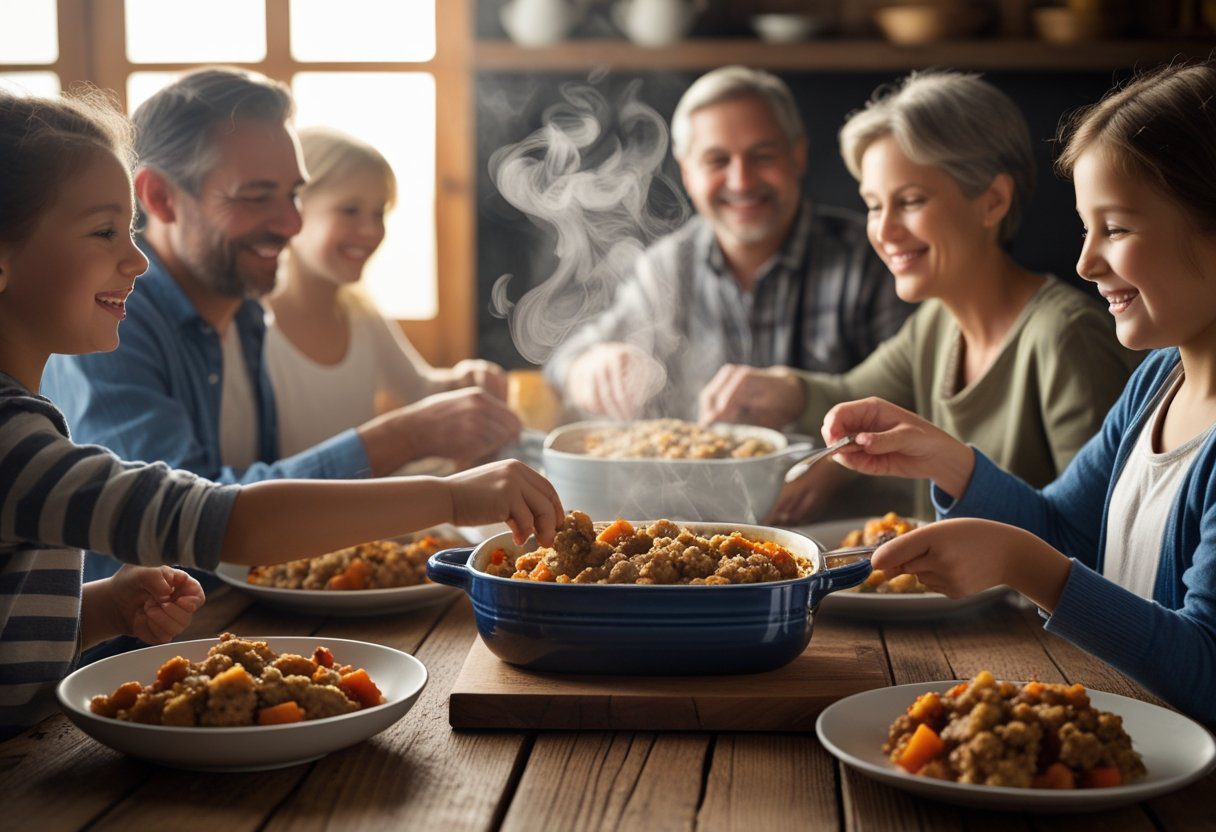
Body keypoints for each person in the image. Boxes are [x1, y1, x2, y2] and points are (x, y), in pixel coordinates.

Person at [0, 89, 562, 737]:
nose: (138, 258)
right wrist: (450, 496)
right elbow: (222, 521)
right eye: (104, 233)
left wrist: (99, 608)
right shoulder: (11, 435)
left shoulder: (31, 416)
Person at [819, 61, 1216, 722]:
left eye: (1115, 229)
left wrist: (1022, 564)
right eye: (1086, 229)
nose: (1086, 262)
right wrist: (950, 461)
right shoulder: (1158, 381)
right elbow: (1063, 529)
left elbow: (1206, 669)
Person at [39, 68, 521, 581]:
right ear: (159, 198)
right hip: (126, 645)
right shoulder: (114, 318)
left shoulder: (243, 305)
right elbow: (197, 521)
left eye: (294, 195)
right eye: (256, 196)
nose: (292, 224)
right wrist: (407, 446)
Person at [699, 71, 1138, 523]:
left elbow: (1094, 535)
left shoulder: (1065, 337)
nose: (885, 232)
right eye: (873, 205)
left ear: (993, 202)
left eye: (909, 201)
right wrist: (782, 388)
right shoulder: (936, 323)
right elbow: (850, 394)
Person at [544, 65, 913, 422]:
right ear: (687, 172)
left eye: (762, 156)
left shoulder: (872, 257)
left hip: (837, 482)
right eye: (717, 160)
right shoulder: (667, 267)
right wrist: (588, 366)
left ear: (797, 156)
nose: (741, 181)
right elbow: (562, 365)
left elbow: (914, 395)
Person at [265, 126, 507, 464]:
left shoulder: (360, 314)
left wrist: (466, 378)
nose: (371, 231)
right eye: (350, 210)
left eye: (379, 213)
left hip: (365, 510)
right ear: (293, 211)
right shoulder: (255, 327)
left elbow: (419, 389)